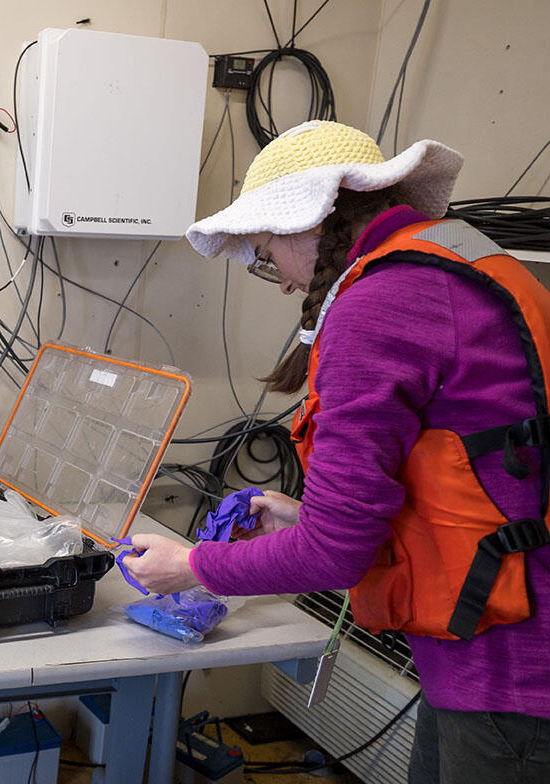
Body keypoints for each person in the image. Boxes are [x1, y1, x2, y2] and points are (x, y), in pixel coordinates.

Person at [125, 120, 550, 783]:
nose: (285, 282)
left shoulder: (379, 305)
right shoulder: (470, 264)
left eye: (267, 253)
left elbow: (336, 554)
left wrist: (193, 566)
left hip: (511, 670)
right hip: (503, 638)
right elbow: (487, 471)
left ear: (306, 226)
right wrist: (307, 517)